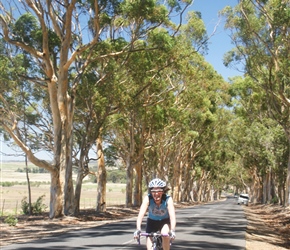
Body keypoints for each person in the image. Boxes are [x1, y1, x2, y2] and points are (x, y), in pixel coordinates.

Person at [134, 178, 176, 250]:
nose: (156, 194)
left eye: (159, 191)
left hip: (164, 221)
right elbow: (140, 215)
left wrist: (172, 230)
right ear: (151, 192)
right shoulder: (148, 199)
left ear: (163, 191)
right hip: (151, 222)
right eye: (153, 191)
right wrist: (138, 229)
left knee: (164, 234)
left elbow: (172, 217)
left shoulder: (168, 199)